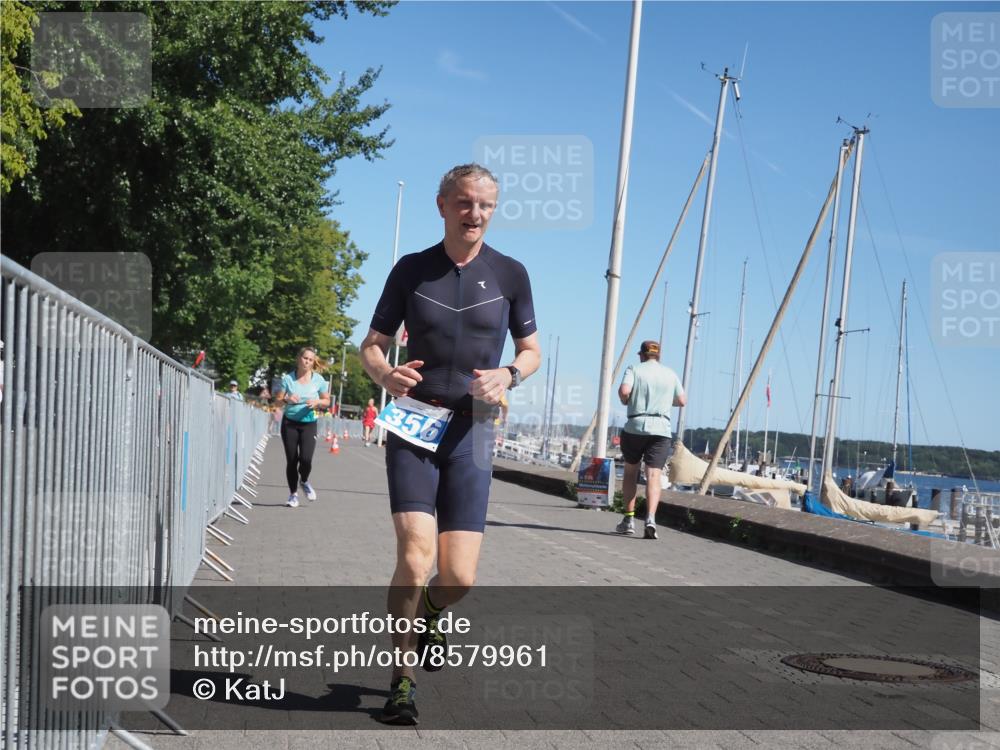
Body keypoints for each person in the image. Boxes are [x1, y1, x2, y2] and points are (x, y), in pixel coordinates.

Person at [360, 163, 541, 725]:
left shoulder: (510, 273)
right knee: (415, 558)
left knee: (458, 576)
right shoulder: (411, 270)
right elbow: (371, 345)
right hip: (414, 423)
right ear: (442, 205)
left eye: (485, 204)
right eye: (464, 203)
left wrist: (509, 374)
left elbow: (533, 351)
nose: (476, 213)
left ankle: (434, 613)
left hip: (475, 430)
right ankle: (401, 682)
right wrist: (384, 375)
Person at [615, 340, 686, 540]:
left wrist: (625, 400)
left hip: (636, 426)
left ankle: (628, 520)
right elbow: (682, 400)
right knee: (654, 475)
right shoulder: (670, 374)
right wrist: (665, 401)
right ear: (658, 356)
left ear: (642, 355)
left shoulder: (634, 369)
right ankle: (651, 519)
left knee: (630, 472)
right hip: (661, 429)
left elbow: (624, 391)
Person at [275, 347, 330, 507]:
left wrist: (317, 402)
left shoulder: (318, 380)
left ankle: (304, 481)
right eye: (305, 358)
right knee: (292, 460)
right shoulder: (288, 379)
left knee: (306, 459)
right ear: (299, 358)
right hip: (289, 423)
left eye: (310, 359)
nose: (307, 361)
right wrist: (287, 399)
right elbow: (277, 401)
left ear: (313, 363)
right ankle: (293, 494)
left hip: (309, 423)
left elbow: (327, 401)